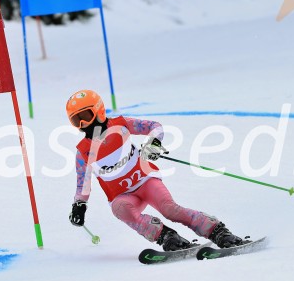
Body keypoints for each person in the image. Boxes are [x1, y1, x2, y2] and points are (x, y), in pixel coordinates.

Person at [66, 89, 247, 252]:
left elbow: (155, 126)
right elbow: (83, 184)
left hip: (145, 181)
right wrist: (79, 205)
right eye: (76, 120)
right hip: (121, 195)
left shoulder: (121, 125)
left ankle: (217, 231)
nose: (82, 124)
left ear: (99, 110)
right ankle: (167, 237)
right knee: (120, 209)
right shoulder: (83, 152)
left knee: (170, 209)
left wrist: (153, 142)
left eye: (86, 116)